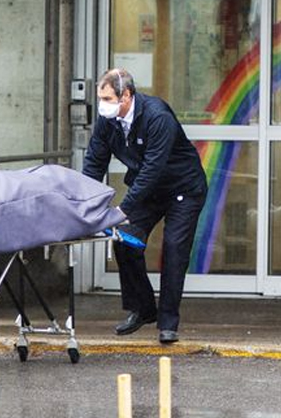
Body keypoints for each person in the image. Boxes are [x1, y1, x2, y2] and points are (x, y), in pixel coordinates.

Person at [83, 68, 207, 344]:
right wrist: (81, 201)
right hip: (148, 190)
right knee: (124, 241)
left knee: (174, 250)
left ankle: (168, 322)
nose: (102, 104)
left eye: (107, 97)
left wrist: (122, 209)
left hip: (183, 189)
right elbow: (95, 161)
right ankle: (143, 309)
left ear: (125, 95)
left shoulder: (157, 116)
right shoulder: (109, 120)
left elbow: (152, 168)